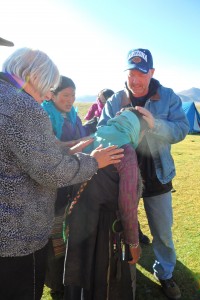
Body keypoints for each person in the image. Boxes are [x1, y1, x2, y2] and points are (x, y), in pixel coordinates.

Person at [0, 47, 124, 300]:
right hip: (18, 233)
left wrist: (65, 148)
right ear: (35, 76)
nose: (48, 94)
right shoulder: (23, 107)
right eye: (49, 86)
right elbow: (51, 173)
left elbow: (21, 149)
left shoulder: (5, 97)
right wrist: (92, 162)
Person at [98, 48, 190, 300]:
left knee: (162, 231)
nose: (135, 79)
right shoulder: (115, 100)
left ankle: (166, 274)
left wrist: (154, 124)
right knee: (120, 227)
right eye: (130, 73)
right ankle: (123, 271)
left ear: (151, 72)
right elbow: (101, 130)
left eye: (141, 73)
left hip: (158, 176)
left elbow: (182, 129)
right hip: (120, 177)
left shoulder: (168, 97)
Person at [63, 107, 147, 300]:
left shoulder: (93, 137)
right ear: (135, 129)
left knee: (81, 270)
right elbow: (127, 203)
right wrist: (133, 242)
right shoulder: (125, 151)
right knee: (102, 278)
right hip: (105, 229)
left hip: (81, 219)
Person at [42, 75, 95, 299]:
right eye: (66, 95)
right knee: (55, 237)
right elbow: (44, 151)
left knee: (68, 232)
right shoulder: (43, 115)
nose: (71, 100)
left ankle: (69, 277)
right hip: (52, 189)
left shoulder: (73, 115)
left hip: (72, 183)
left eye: (73, 95)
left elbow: (81, 136)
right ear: (52, 95)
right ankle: (56, 284)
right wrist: (71, 146)